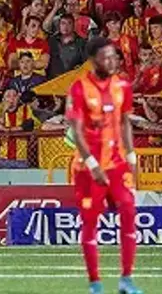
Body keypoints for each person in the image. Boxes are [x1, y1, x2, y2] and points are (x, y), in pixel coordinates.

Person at [66, 38, 142, 294]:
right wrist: (91, 164)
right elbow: (76, 130)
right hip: (88, 168)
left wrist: (131, 158)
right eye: (106, 57)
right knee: (90, 221)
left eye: (114, 57)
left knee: (129, 210)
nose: (112, 62)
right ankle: (95, 283)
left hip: (117, 163)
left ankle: (126, 279)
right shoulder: (79, 88)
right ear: (93, 60)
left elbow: (124, 122)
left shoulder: (122, 85)